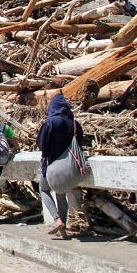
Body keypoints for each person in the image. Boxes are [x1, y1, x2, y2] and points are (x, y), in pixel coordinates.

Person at [36, 94, 84, 239]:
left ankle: (57, 220)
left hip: (50, 165)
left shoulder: (51, 122)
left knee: (44, 190)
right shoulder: (75, 124)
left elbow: (41, 145)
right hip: (68, 167)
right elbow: (80, 145)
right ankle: (62, 230)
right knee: (61, 194)